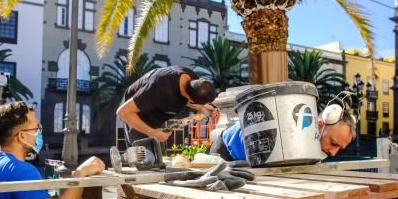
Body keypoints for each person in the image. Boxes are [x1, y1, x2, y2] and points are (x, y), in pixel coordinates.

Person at [117, 65, 218, 144]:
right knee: (143, 157)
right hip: (136, 115)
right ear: (191, 99)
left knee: (157, 158)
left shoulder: (194, 81)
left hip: (156, 115)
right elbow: (123, 112)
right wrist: (151, 132)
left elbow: (189, 99)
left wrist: (204, 108)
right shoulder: (158, 88)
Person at [209, 108, 356, 161]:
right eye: (334, 143)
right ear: (320, 124)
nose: (333, 152)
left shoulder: (313, 142)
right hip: (225, 149)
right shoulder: (294, 130)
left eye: (339, 148)